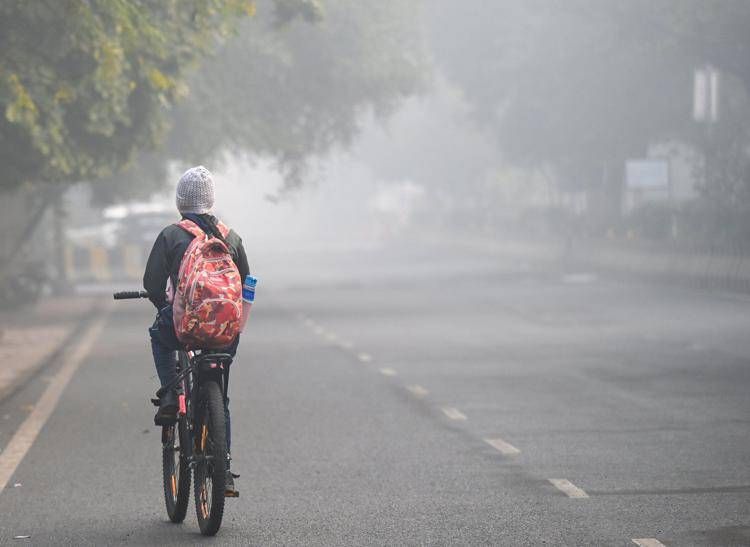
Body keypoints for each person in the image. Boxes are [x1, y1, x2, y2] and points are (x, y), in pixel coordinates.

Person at [143, 165, 249, 492]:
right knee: (221, 392)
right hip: (225, 331)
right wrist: (237, 318)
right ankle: (224, 467)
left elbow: (152, 283)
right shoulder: (230, 236)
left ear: (180, 202)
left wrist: (168, 309)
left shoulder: (171, 235)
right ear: (211, 201)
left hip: (185, 326)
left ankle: (171, 396)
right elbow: (247, 280)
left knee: (159, 337)